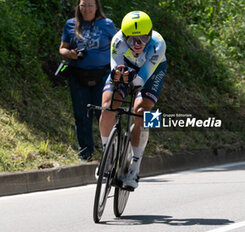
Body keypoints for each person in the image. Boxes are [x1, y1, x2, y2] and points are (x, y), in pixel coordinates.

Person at [100, 11, 167, 190]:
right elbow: (115, 70)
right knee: (107, 106)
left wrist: (133, 80)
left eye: (143, 39)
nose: (137, 45)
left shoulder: (158, 45)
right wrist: (117, 77)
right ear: (124, 37)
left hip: (152, 70)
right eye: (132, 40)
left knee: (142, 111)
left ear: (150, 35)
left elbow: (142, 78)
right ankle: (106, 156)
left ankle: (135, 168)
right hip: (127, 66)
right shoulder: (117, 41)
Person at [59, 0, 117, 160]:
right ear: (78, 6)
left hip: (103, 75)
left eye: (91, 5)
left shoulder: (107, 24)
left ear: (97, 6)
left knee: (104, 113)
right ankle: (85, 154)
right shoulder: (71, 24)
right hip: (78, 75)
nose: (87, 9)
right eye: (83, 5)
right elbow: (62, 48)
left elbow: (119, 46)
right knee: (81, 115)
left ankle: (111, 152)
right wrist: (69, 53)